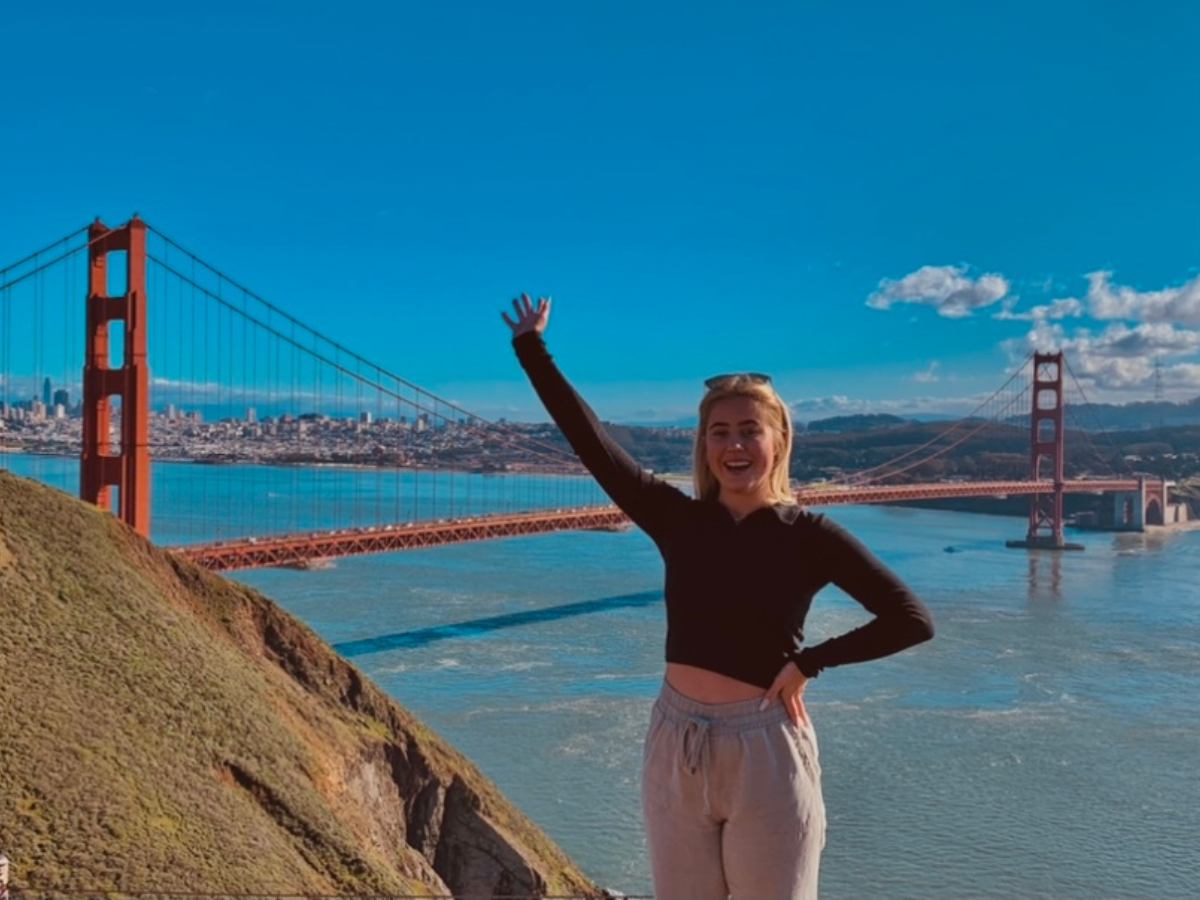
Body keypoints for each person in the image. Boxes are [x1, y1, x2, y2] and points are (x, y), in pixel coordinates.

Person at [503, 294, 934, 900]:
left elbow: (911, 619)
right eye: (719, 432)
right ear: (704, 445)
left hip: (765, 749)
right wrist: (532, 348)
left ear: (778, 440)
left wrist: (810, 662)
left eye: (749, 431)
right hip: (675, 741)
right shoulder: (677, 518)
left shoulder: (811, 537)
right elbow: (591, 441)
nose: (734, 446)